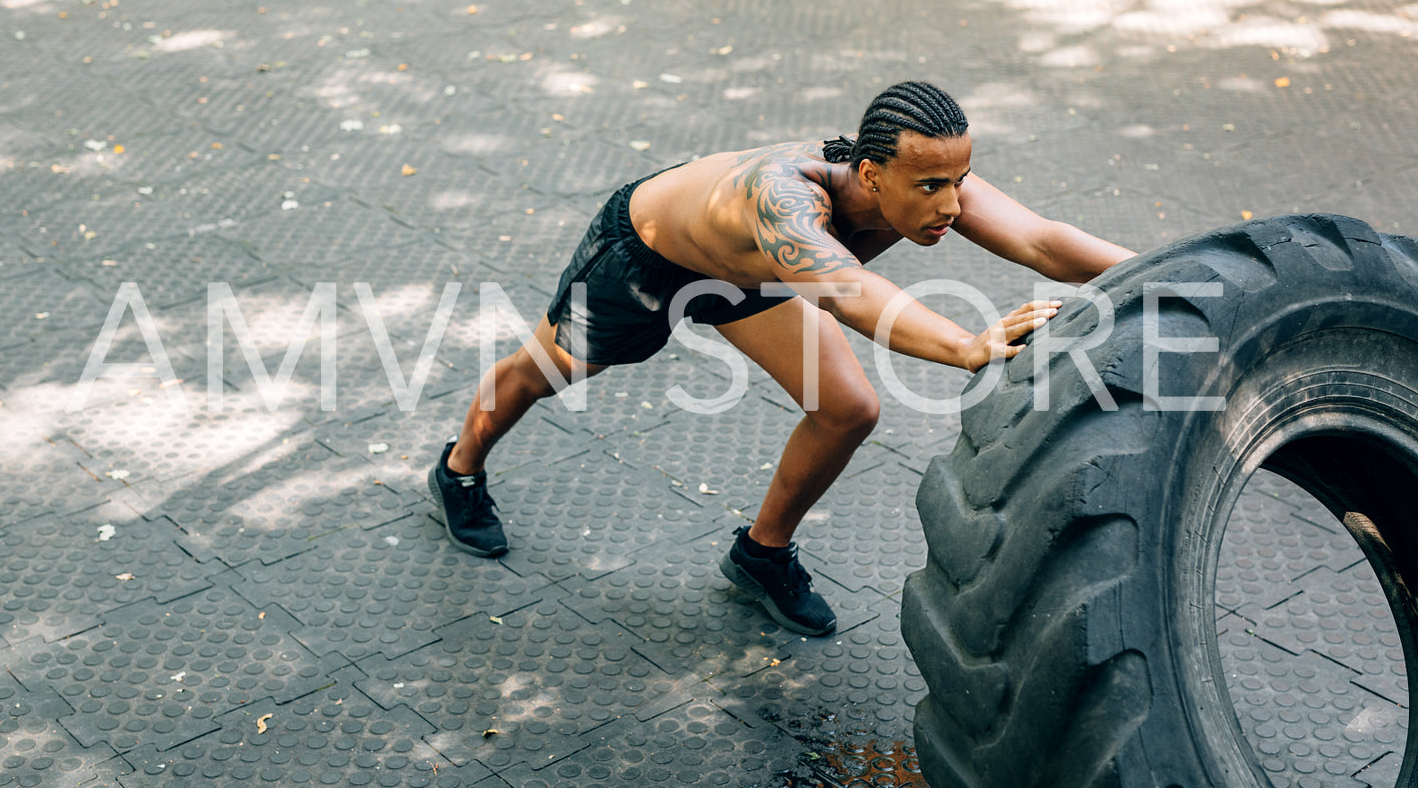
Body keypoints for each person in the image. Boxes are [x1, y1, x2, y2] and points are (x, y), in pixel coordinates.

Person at [428, 81, 1134, 636]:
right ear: (869, 173)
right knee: (545, 372)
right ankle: (458, 468)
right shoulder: (784, 200)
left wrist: (1169, 271)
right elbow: (846, 290)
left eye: (960, 179)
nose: (952, 204)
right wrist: (967, 346)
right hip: (645, 262)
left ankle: (761, 554)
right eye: (929, 187)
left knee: (847, 408)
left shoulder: (928, 180)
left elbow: (1043, 243)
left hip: (754, 278)